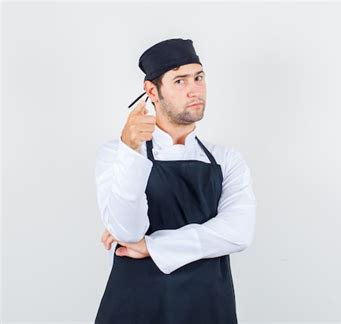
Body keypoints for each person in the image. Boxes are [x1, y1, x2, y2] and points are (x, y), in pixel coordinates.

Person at [94, 38, 257, 323]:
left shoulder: (226, 160)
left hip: (207, 308)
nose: (194, 89)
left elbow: (238, 232)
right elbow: (129, 231)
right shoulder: (116, 153)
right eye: (179, 81)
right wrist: (131, 150)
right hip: (134, 308)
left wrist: (152, 247)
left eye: (199, 77)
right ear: (152, 91)